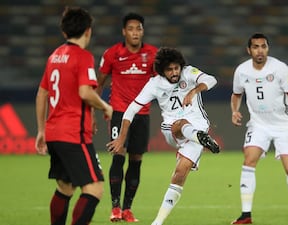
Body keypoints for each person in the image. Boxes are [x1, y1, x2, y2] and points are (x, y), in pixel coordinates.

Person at [106, 47, 220, 225]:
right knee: (181, 124)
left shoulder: (189, 73)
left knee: (180, 174)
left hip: (198, 127)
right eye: (169, 69)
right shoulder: (154, 84)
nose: (174, 73)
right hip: (171, 128)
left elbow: (211, 80)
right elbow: (131, 109)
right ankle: (200, 138)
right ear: (161, 70)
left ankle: (157, 222)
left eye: (176, 68)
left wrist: (194, 91)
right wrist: (121, 138)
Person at [35, 6, 113, 225]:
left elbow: (42, 93)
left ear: (64, 32)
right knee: (95, 188)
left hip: (53, 133)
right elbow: (85, 92)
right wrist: (106, 107)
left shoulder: (54, 57)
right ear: (88, 31)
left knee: (65, 187)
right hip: (73, 134)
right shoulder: (83, 56)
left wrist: (41, 130)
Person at [230, 33, 288, 224]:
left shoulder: (281, 69)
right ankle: (246, 215)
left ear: (268, 48)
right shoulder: (241, 71)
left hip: (283, 125)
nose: (260, 51)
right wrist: (234, 110)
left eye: (263, 46)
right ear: (249, 50)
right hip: (259, 124)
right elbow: (236, 94)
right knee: (249, 160)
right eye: (255, 47)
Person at [97, 12, 158, 222]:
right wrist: (97, 110)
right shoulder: (112, 53)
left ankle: (127, 209)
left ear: (143, 31)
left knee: (136, 159)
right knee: (118, 154)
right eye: (131, 28)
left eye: (138, 28)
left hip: (142, 113)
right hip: (119, 112)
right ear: (124, 31)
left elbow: (162, 84)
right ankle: (115, 208)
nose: (135, 32)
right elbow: (100, 82)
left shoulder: (152, 54)